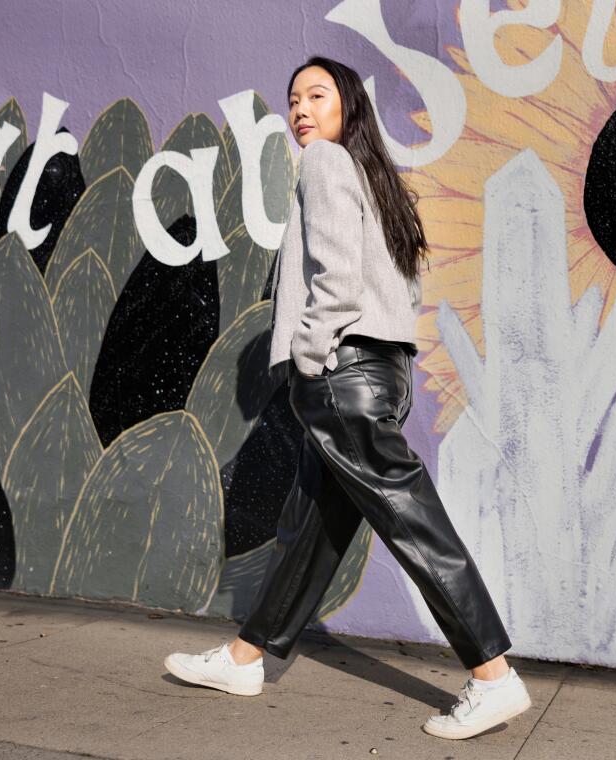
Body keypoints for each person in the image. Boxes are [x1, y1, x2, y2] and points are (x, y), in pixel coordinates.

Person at [164, 55, 530, 741]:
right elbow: (397, 288)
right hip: (377, 373)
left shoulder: (326, 165)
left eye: (317, 95)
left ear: (346, 106)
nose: (301, 108)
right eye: (294, 97)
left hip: (341, 374)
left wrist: (309, 352)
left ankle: (493, 676)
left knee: (415, 524)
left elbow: (336, 279)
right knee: (312, 532)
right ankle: (246, 659)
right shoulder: (377, 180)